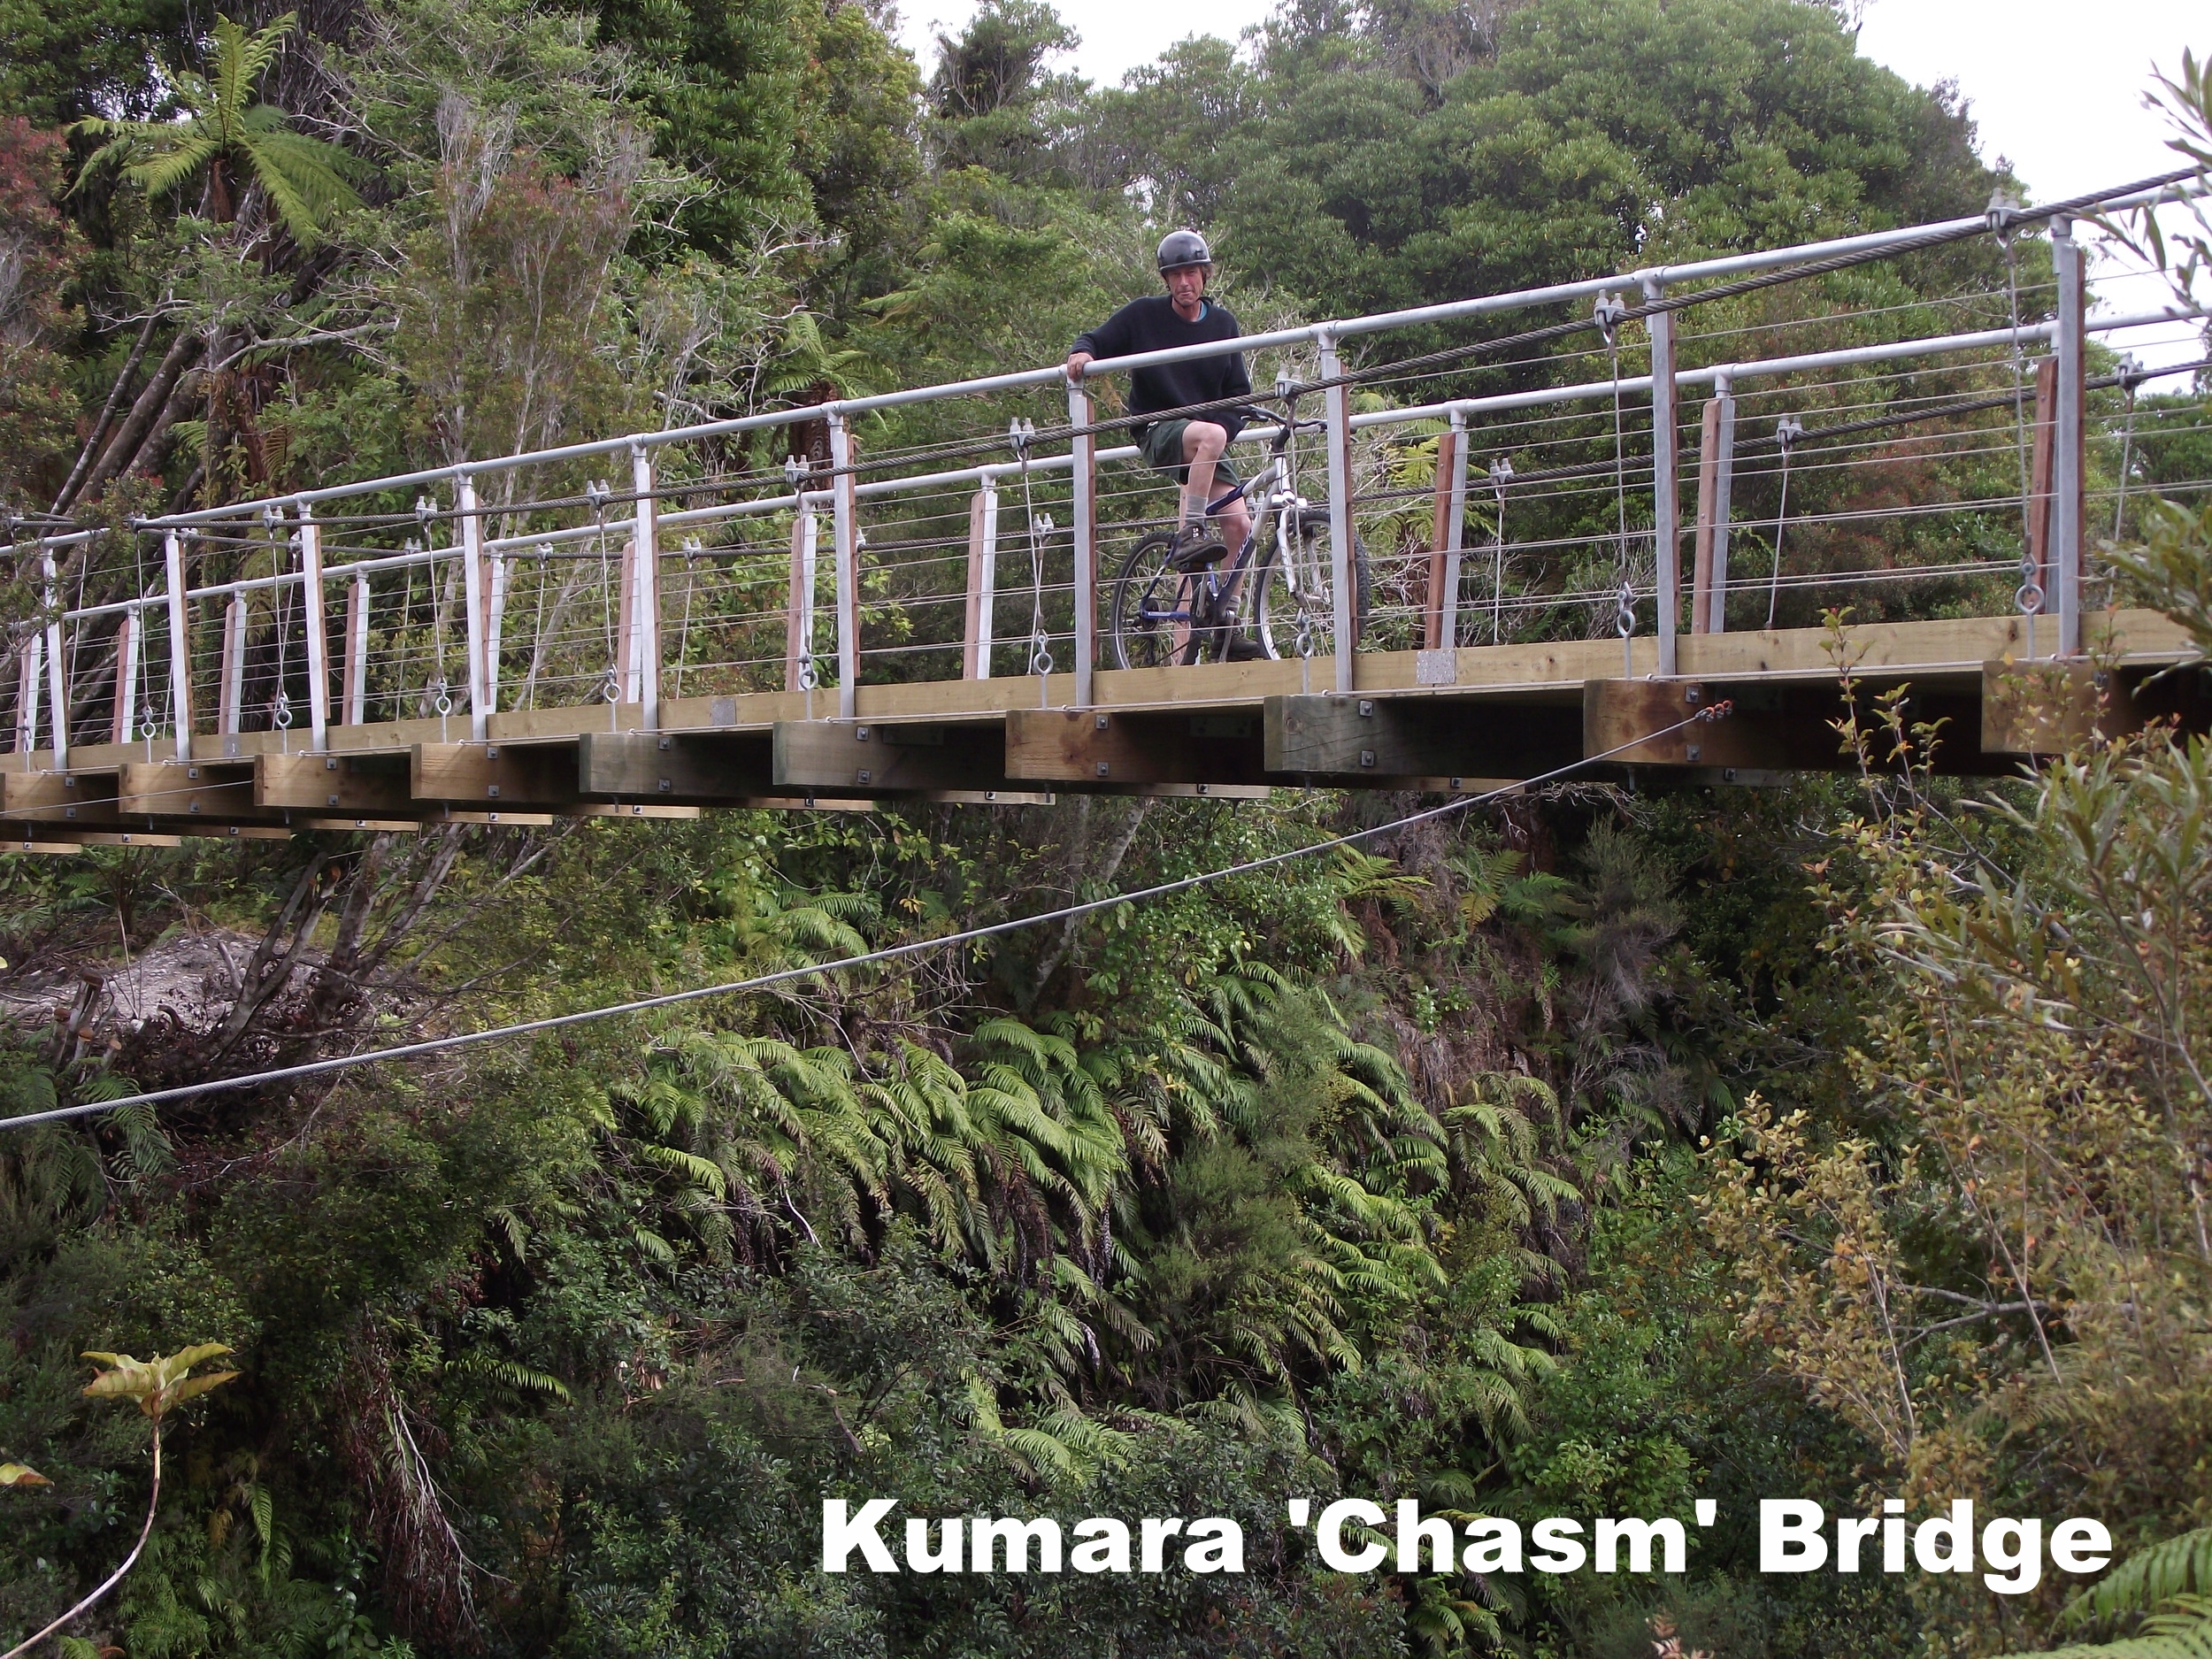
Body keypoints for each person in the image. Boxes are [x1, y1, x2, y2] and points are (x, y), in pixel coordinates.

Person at [1067, 229, 1263, 660]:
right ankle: (1191, 531)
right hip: (1158, 428)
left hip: (1205, 442)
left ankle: (1222, 626)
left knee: (1240, 527)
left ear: (1204, 276)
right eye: (1175, 276)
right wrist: (1082, 355)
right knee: (1210, 436)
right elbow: (1095, 339)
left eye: (1191, 273)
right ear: (1166, 280)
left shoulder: (1223, 325)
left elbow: (1239, 397)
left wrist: (1225, 429)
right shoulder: (1144, 316)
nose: (1184, 283)